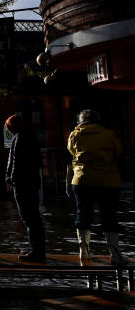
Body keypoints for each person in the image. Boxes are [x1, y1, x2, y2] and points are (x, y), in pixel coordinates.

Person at [67, 109, 128, 265]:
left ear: (80, 121)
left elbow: (71, 151)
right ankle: (115, 254)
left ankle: (84, 252)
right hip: (107, 180)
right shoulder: (109, 134)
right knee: (109, 215)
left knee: (83, 213)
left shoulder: (74, 135)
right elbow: (119, 151)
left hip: (81, 179)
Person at [4, 115, 46, 262]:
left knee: (29, 216)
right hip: (32, 181)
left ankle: (36, 251)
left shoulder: (19, 137)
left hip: (22, 183)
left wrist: (11, 179)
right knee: (33, 216)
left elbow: (16, 161)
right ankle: (36, 249)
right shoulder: (31, 135)